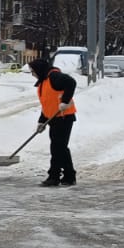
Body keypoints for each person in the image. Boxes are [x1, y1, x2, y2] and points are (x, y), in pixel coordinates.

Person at [27, 56, 77, 187]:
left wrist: (65, 101)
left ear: (39, 69)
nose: (32, 74)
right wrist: (41, 122)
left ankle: (54, 176)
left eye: (33, 71)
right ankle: (69, 176)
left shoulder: (54, 77)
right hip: (54, 118)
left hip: (64, 117)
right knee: (61, 148)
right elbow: (47, 104)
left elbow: (71, 83)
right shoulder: (44, 81)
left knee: (57, 148)